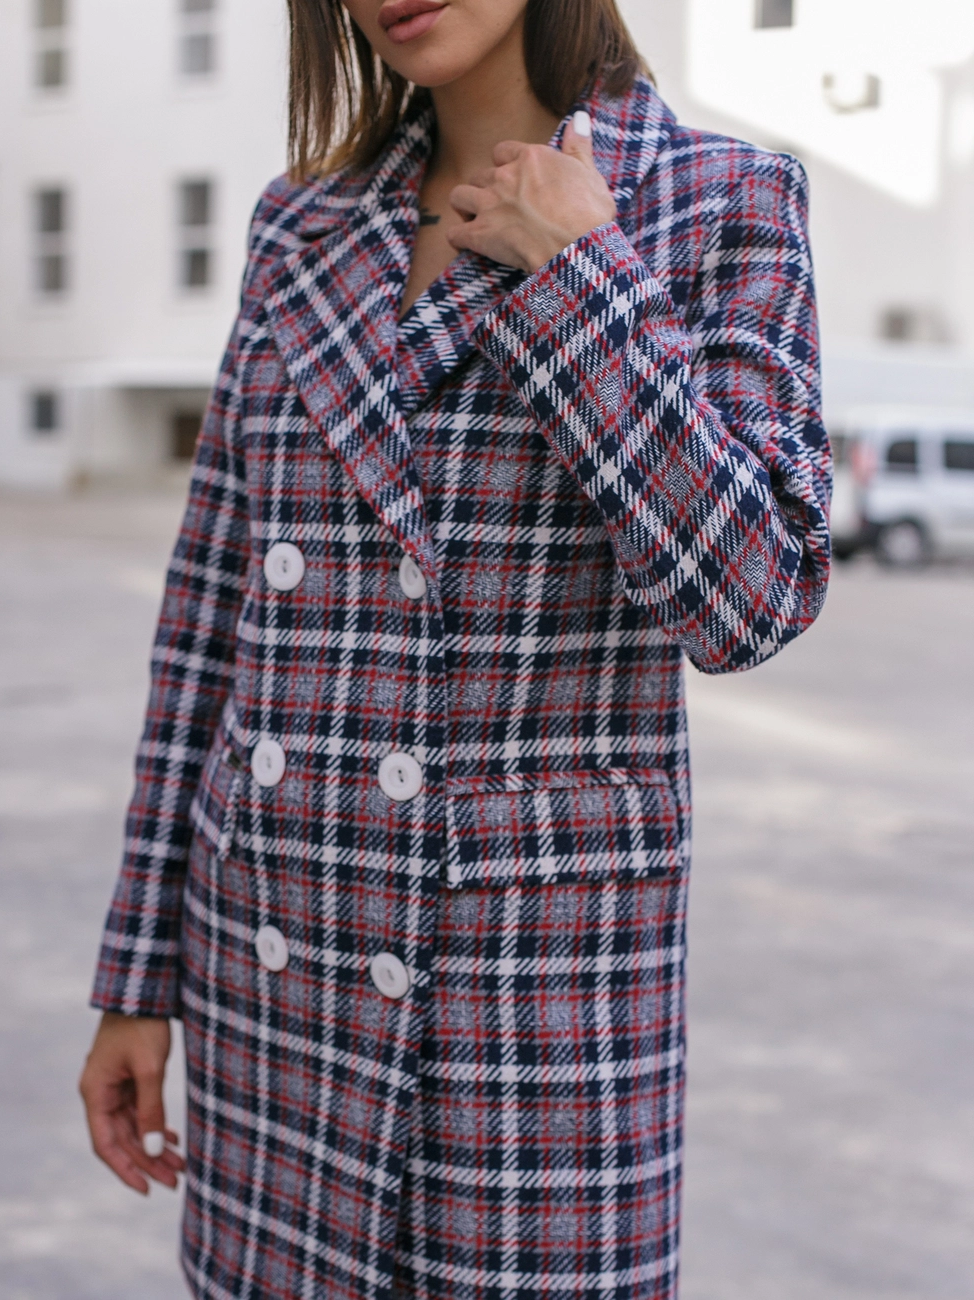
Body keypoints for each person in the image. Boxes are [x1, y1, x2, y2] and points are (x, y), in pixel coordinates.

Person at [80, 1, 832, 1296]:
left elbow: (753, 596)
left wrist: (580, 275)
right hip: (276, 979)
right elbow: (207, 623)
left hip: (529, 1020)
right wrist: (139, 977)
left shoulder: (718, 200)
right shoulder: (301, 224)